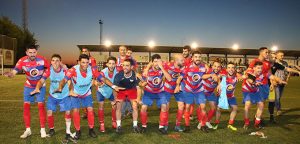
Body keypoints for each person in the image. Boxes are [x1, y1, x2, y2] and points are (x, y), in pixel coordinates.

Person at [55, 54, 122, 140]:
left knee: (90, 110)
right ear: (79, 62)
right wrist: (60, 87)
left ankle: (91, 129)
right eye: (83, 62)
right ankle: (78, 131)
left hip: (87, 93)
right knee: (76, 111)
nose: (85, 64)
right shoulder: (73, 70)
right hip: (75, 93)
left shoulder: (92, 69)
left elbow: (103, 78)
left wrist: (113, 86)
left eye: (87, 62)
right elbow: (64, 80)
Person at [4, 45, 49, 138]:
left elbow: (48, 69)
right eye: (30, 52)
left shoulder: (42, 59)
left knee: (41, 107)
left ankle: (42, 130)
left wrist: (42, 80)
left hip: (40, 85)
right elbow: (15, 71)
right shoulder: (22, 61)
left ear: (36, 52)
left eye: (34, 52)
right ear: (26, 53)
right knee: (26, 107)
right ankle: (28, 130)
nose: (32, 54)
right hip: (28, 86)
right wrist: (10, 74)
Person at [30, 54, 75, 142]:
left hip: (64, 95)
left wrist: (70, 91)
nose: (55, 62)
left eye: (57, 60)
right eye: (53, 60)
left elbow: (70, 82)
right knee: (49, 112)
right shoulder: (49, 71)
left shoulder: (65, 71)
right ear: (51, 62)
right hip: (53, 95)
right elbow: (41, 80)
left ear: (60, 62)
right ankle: (51, 129)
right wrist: (37, 88)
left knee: (68, 112)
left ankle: (68, 131)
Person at [242, 61, 286, 130]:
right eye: (258, 68)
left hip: (256, 90)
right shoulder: (250, 72)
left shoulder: (264, 73)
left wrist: (279, 80)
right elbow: (250, 79)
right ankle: (246, 122)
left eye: (261, 68)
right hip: (248, 91)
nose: (260, 69)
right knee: (247, 105)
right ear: (254, 68)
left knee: (261, 105)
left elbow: (272, 76)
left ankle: (257, 123)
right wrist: (254, 83)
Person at [176, 50, 210, 132]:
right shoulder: (187, 67)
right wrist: (177, 85)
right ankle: (187, 126)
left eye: (199, 57)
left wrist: (212, 74)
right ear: (192, 58)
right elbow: (180, 77)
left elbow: (205, 75)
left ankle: (203, 125)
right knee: (187, 107)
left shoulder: (203, 67)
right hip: (189, 91)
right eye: (196, 57)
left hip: (199, 90)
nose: (197, 58)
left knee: (203, 107)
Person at [140, 54, 172, 134]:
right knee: (143, 107)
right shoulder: (147, 70)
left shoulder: (162, 69)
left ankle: (161, 126)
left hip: (160, 92)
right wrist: (142, 84)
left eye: (159, 62)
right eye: (155, 62)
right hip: (149, 92)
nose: (157, 63)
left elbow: (169, 78)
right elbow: (141, 83)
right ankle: (144, 126)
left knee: (164, 106)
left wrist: (162, 67)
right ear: (152, 62)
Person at [268, 51, 300, 122]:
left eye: (274, 57)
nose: (273, 58)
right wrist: (272, 82)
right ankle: (276, 111)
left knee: (275, 99)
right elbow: (268, 74)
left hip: (279, 82)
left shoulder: (279, 64)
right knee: (274, 98)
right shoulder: (267, 63)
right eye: (271, 57)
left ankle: (271, 115)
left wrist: (297, 72)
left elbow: (287, 69)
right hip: (271, 83)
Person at [113, 58, 142, 133]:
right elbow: (115, 88)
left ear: (132, 67)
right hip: (121, 90)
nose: (124, 67)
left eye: (127, 65)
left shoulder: (135, 75)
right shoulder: (119, 75)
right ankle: (118, 126)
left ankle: (135, 126)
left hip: (132, 90)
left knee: (135, 106)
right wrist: (115, 98)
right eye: (123, 65)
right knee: (118, 106)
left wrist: (138, 99)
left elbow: (139, 88)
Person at [213, 62, 241, 131]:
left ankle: (230, 124)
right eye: (229, 68)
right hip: (222, 97)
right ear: (226, 69)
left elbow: (244, 76)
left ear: (234, 69)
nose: (231, 69)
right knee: (218, 109)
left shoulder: (236, 77)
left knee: (235, 108)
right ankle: (216, 123)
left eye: (232, 68)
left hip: (231, 96)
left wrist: (241, 76)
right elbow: (218, 77)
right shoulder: (223, 76)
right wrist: (219, 83)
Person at [162, 54, 185, 132]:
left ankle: (177, 125)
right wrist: (147, 69)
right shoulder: (167, 65)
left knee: (181, 106)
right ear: (176, 61)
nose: (183, 61)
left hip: (177, 89)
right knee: (166, 107)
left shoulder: (184, 67)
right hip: (167, 88)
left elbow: (180, 77)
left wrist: (178, 85)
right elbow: (156, 62)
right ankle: (165, 124)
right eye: (181, 60)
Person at [97, 56, 118, 132]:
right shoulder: (103, 72)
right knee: (101, 106)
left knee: (114, 105)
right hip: (101, 91)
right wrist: (99, 84)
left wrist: (115, 98)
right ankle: (102, 124)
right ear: (107, 64)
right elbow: (98, 82)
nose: (111, 65)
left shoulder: (117, 72)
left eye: (113, 63)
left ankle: (114, 121)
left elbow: (115, 86)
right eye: (110, 63)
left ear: (115, 64)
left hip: (111, 90)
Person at [201, 60, 222, 129]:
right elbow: (202, 76)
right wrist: (210, 75)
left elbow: (220, 80)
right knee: (202, 108)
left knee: (213, 108)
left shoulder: (220, 74)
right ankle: (201, 122)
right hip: (202, 91)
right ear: (212, 66)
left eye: (218, 67)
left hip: (210, 93)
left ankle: (207, 121)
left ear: (220, 68)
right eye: (215, 66)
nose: (216, 68)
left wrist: (219, 82)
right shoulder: (209, 70)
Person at [80, 47, 97, 119]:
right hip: (81, 80)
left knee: (87, 96)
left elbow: (94, 70)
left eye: (85, 51)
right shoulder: (81, 59)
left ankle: (89, 112)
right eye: (83, 51)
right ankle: (86, 112)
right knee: (82, 97)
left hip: (88, 81)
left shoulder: (92, 59)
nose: (84, 52)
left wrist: (93, 79)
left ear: (88, 52)